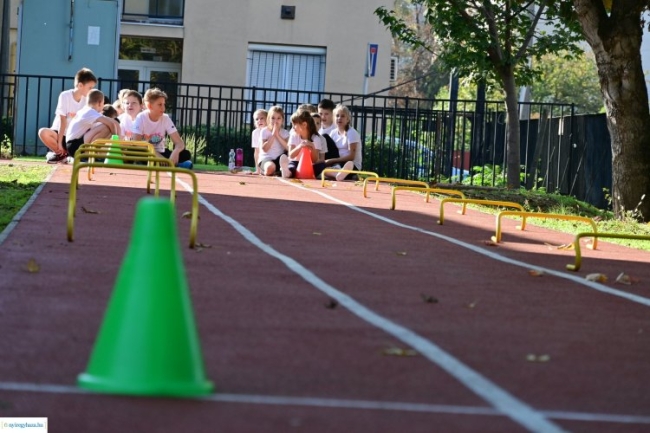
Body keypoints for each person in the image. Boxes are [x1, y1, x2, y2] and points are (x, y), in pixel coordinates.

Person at [39, 67, 97, 163]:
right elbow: (63, 120)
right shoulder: (65, 96)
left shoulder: (87, 101)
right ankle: (62, 154)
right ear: (80, 85)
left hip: (73, 137)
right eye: (90, 88)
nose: (91, 90)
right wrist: (59, 144)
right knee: (43, 132)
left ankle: (65, 155)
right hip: (60, 134)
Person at [132, 87, 193, 169]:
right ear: (149, 106)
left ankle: (168, 163)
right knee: (139, 154)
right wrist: (157, 155)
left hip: (161, 151)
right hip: (147, 152)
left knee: (185, 154)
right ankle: (174, 165)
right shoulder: (141, 117)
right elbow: (136, 143)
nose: (163, 108)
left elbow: (180, 143)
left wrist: (175, 152)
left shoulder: (165, 118)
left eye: (164, 104)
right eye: (160, 104)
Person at [64, 90, 121, 161]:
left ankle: (93, 154)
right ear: (100, 103)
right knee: (106, 127)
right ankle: (89, 155)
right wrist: (115, 141)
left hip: (74, 144)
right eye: (103, 103)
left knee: (107, 127)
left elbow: (113, 122)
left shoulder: (87, 111)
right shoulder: (89, 112)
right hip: (74, 145)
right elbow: (111, 124)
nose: (103, 107)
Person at [279, 110, 325, 178]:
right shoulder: (293, 136)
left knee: (321, 165)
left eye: (294, 124)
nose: (293, 127)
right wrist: (299, 147)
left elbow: (315, 160)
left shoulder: (316, 139)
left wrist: (312, 148)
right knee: (292, 166)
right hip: (295, 162)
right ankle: (287, 172)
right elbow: (291, 155)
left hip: (309, 165)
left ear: (304, 125)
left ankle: (333, 174)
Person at [325, 104, 361, 181]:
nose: (339, 118)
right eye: (337, 116)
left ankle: (345, 172)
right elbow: (331, 150)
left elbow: (352, 156)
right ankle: (337, 173)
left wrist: (332, 160)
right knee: (324, 137)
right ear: (334, 118)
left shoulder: (352, 133)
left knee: (349, 163)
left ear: (348, 119)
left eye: (343, 116)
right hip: (337, 162)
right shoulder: (333, 133)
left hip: (351, 163)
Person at [258, 105, 289, 176]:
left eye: (278, 118)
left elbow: (288, 148)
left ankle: (280, 171)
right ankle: (269, 171)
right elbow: (265, 149)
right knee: (270, 167)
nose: (275, 121)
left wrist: (278, 135)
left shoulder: (285, 133)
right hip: (266, 159)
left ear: (282, 120)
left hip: (280, 159)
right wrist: (273, 135)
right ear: (268, 119)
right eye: (273, 118)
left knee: (289, 164)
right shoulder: (264, 131)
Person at [251, 108, 268, 174]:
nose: (259, 121)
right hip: (262, 159)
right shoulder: (255, 133)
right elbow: (257, 151)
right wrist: (257, 169)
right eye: (257, 119)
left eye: (262, 118)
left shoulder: (270, 131)